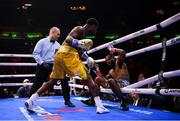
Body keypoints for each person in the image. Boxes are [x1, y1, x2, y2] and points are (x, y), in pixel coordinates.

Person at [25, 18, 109, 114]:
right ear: (93, 26)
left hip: (60, 54)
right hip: (68, 54)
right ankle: (99, 106)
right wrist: (78, 43)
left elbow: (79, 50)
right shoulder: (79, 29)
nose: (95, 31)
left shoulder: (82, 34)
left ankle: (31, 100)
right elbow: (68, 39)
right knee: (88, 78)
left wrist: (87, 58)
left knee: (53, 81)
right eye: (96, 28)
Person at [29, 27, 74, 107]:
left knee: (64, 81)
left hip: (55, 66)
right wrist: (42, 63)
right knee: (37, 83)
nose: (59, 36)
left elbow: (60, 57)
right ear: (53, 32)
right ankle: (30, 99)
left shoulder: (58, 45)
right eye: (58, 34)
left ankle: (67, 100)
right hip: (42, 65)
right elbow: (35, 53)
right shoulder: (42, 42)